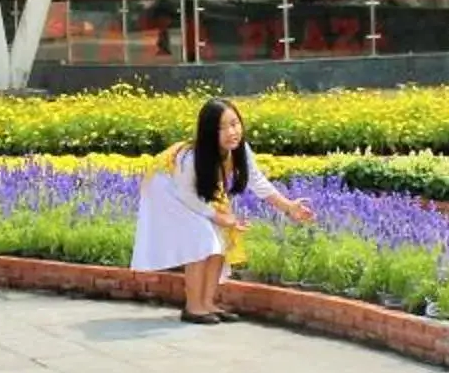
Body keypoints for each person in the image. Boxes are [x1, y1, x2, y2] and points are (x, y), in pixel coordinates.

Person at [131, 99, 316, 323]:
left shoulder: (240, 149)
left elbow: (257, 182)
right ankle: (193, 307)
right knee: (201, 239)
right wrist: (219, 217)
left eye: (235, 123)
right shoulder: (191, 158)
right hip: (165, 191)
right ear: (208, 133)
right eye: (222, 127)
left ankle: (208, 303)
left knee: (218, 241)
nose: (232, 132)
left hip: (192, 195)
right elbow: (186, 195)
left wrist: (288, 207)